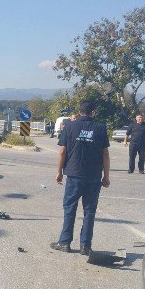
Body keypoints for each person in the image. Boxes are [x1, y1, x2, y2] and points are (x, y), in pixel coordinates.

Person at [51, 100, 110, 256]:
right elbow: (105, 154)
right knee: (89, 211)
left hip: (74, 174)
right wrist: (106, 176)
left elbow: (62, 151)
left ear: (80, 111)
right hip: (94, 176)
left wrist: (59, 171)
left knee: (70, 207)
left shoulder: (69, 126)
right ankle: (85, 246)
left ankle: (64, 242)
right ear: (93, 112)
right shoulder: (100, 127)